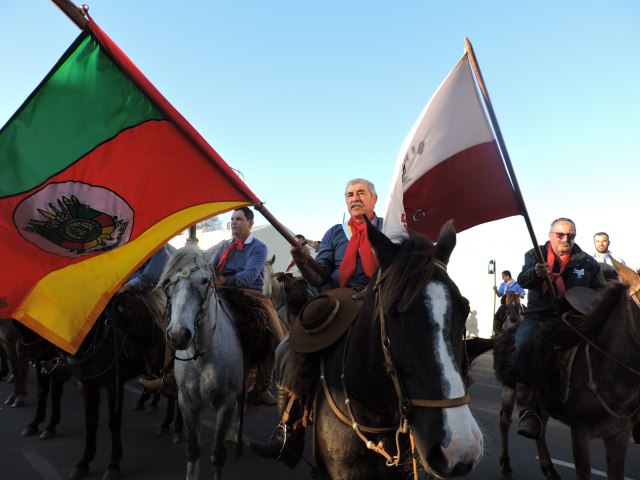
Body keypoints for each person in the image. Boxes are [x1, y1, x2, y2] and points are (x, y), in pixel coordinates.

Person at [250, 178, 383, 467]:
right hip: (337, 298)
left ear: (374, 199)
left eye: (361, 193)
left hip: (378, 297)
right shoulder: (335, 233)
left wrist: (372, 289)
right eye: (350, 194)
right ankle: (289, 434)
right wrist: (304, 262)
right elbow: (318, 277)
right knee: (287, 348)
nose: (355, 198)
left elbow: (398, 266)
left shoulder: (388, 228)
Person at [512, 217, 603, 439]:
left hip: (573, 319)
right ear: (551, 235)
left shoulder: (587, 261)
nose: (566, 239)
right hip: (539, 317)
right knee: (523, 346)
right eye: (560, 234)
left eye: (570, 235)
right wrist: (536, 273)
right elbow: (522, 280)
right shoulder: (535, 254)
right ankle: (528, 410)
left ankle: (626, 408)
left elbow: (600, 290)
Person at [210, 206, 287, 406]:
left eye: (238, 219)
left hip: (250, 294)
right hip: (222, 292)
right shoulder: (225, 245)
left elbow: (250, 275)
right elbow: (212, 267)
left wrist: (225, 280)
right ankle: (171, 376)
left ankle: (262, 385)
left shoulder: (259, 247)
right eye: (232, 219)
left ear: (250, 224)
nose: (234, 222)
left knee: (274, 334)